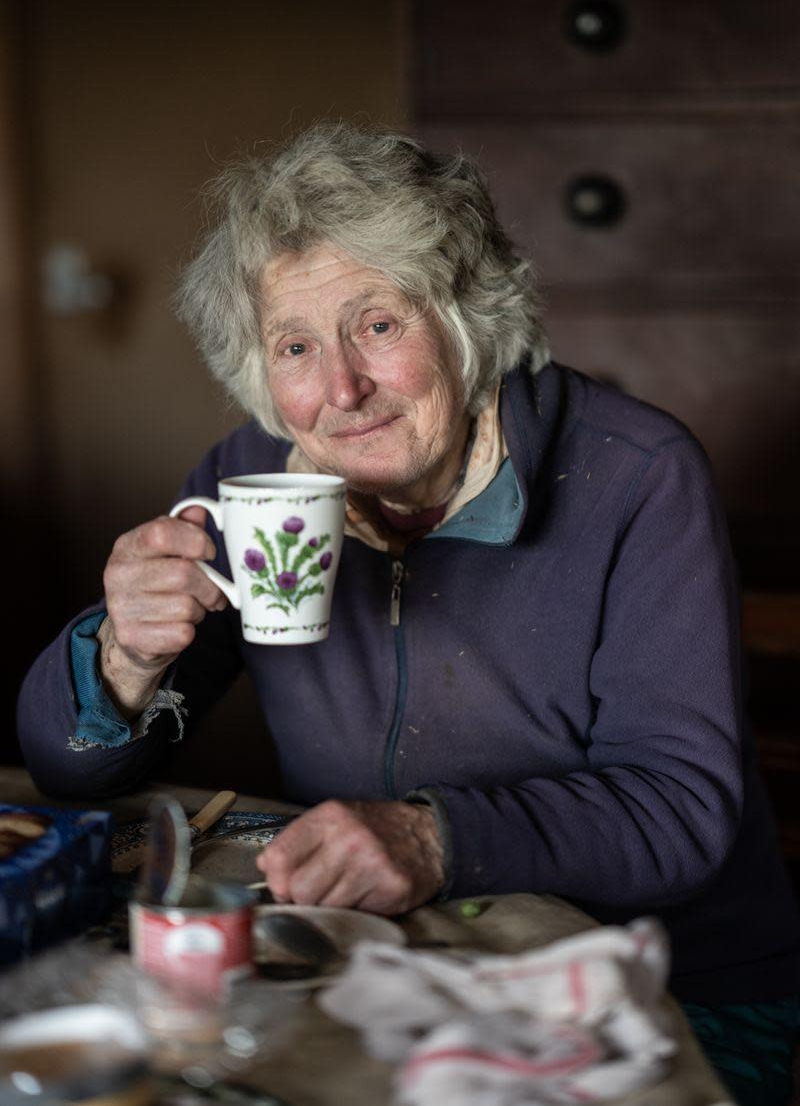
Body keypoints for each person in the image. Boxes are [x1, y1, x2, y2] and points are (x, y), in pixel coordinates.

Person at [17, 122, 800, 1103]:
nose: (339, 388)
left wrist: (431, 836)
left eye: (377, 325)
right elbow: (64, 765)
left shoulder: (632, 475)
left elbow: (679, 806)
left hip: (671, 981)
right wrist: (122, 656)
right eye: (294, 346)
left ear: (467, 312)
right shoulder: (248, 483)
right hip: (386, 962)